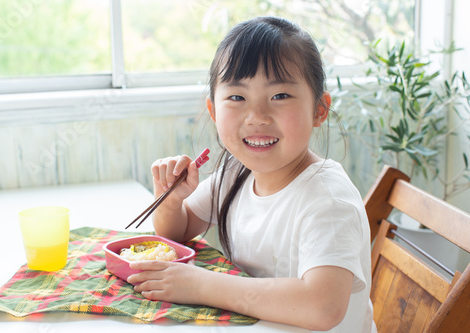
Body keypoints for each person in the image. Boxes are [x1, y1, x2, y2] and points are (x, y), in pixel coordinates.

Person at [127, 16, 374, 332]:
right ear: (214, 111)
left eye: (280, 96)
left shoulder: (328, 201)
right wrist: (171, 202)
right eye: (237, 97)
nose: (257, 116)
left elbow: (323, 307)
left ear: (319, 110)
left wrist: (202, 285)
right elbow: (179, 230)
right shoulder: (237, 171)